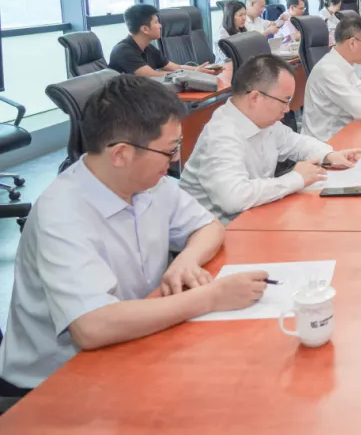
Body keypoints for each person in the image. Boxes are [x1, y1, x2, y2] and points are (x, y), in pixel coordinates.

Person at [0, 76, 268, 392]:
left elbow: (208, 226)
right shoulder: (61, 213)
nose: (176, 159)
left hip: (135, 341)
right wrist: (212, 297)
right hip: (55, 384)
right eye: (170, 150)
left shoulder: (149, 184)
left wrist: (187, 259)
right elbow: (93, 326)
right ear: (121, 154)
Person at [179, 55, 361, 224]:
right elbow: (234, 198)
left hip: (256, 216)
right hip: (220, 232)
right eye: (285, 100)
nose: (287, 109)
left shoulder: (262, 121)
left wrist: (329, 155)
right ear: (255, 97)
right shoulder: (221, 135)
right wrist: (296, 178)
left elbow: (295, 143)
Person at [108, 4, 213, 77]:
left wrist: (197, 70)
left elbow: (175, 67)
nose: (160, 26)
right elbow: (153, 76)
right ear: (145, 29)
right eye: (156, 22)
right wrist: (191, 74)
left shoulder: (148, 48)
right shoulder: (124, 51)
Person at [213, 0, 247, 64]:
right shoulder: (221, 34)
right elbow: (226, 58)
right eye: (240, 15)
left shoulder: (241, 29)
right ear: (230, 16)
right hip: (225, 66)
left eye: (245, 14)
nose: (244, 18)